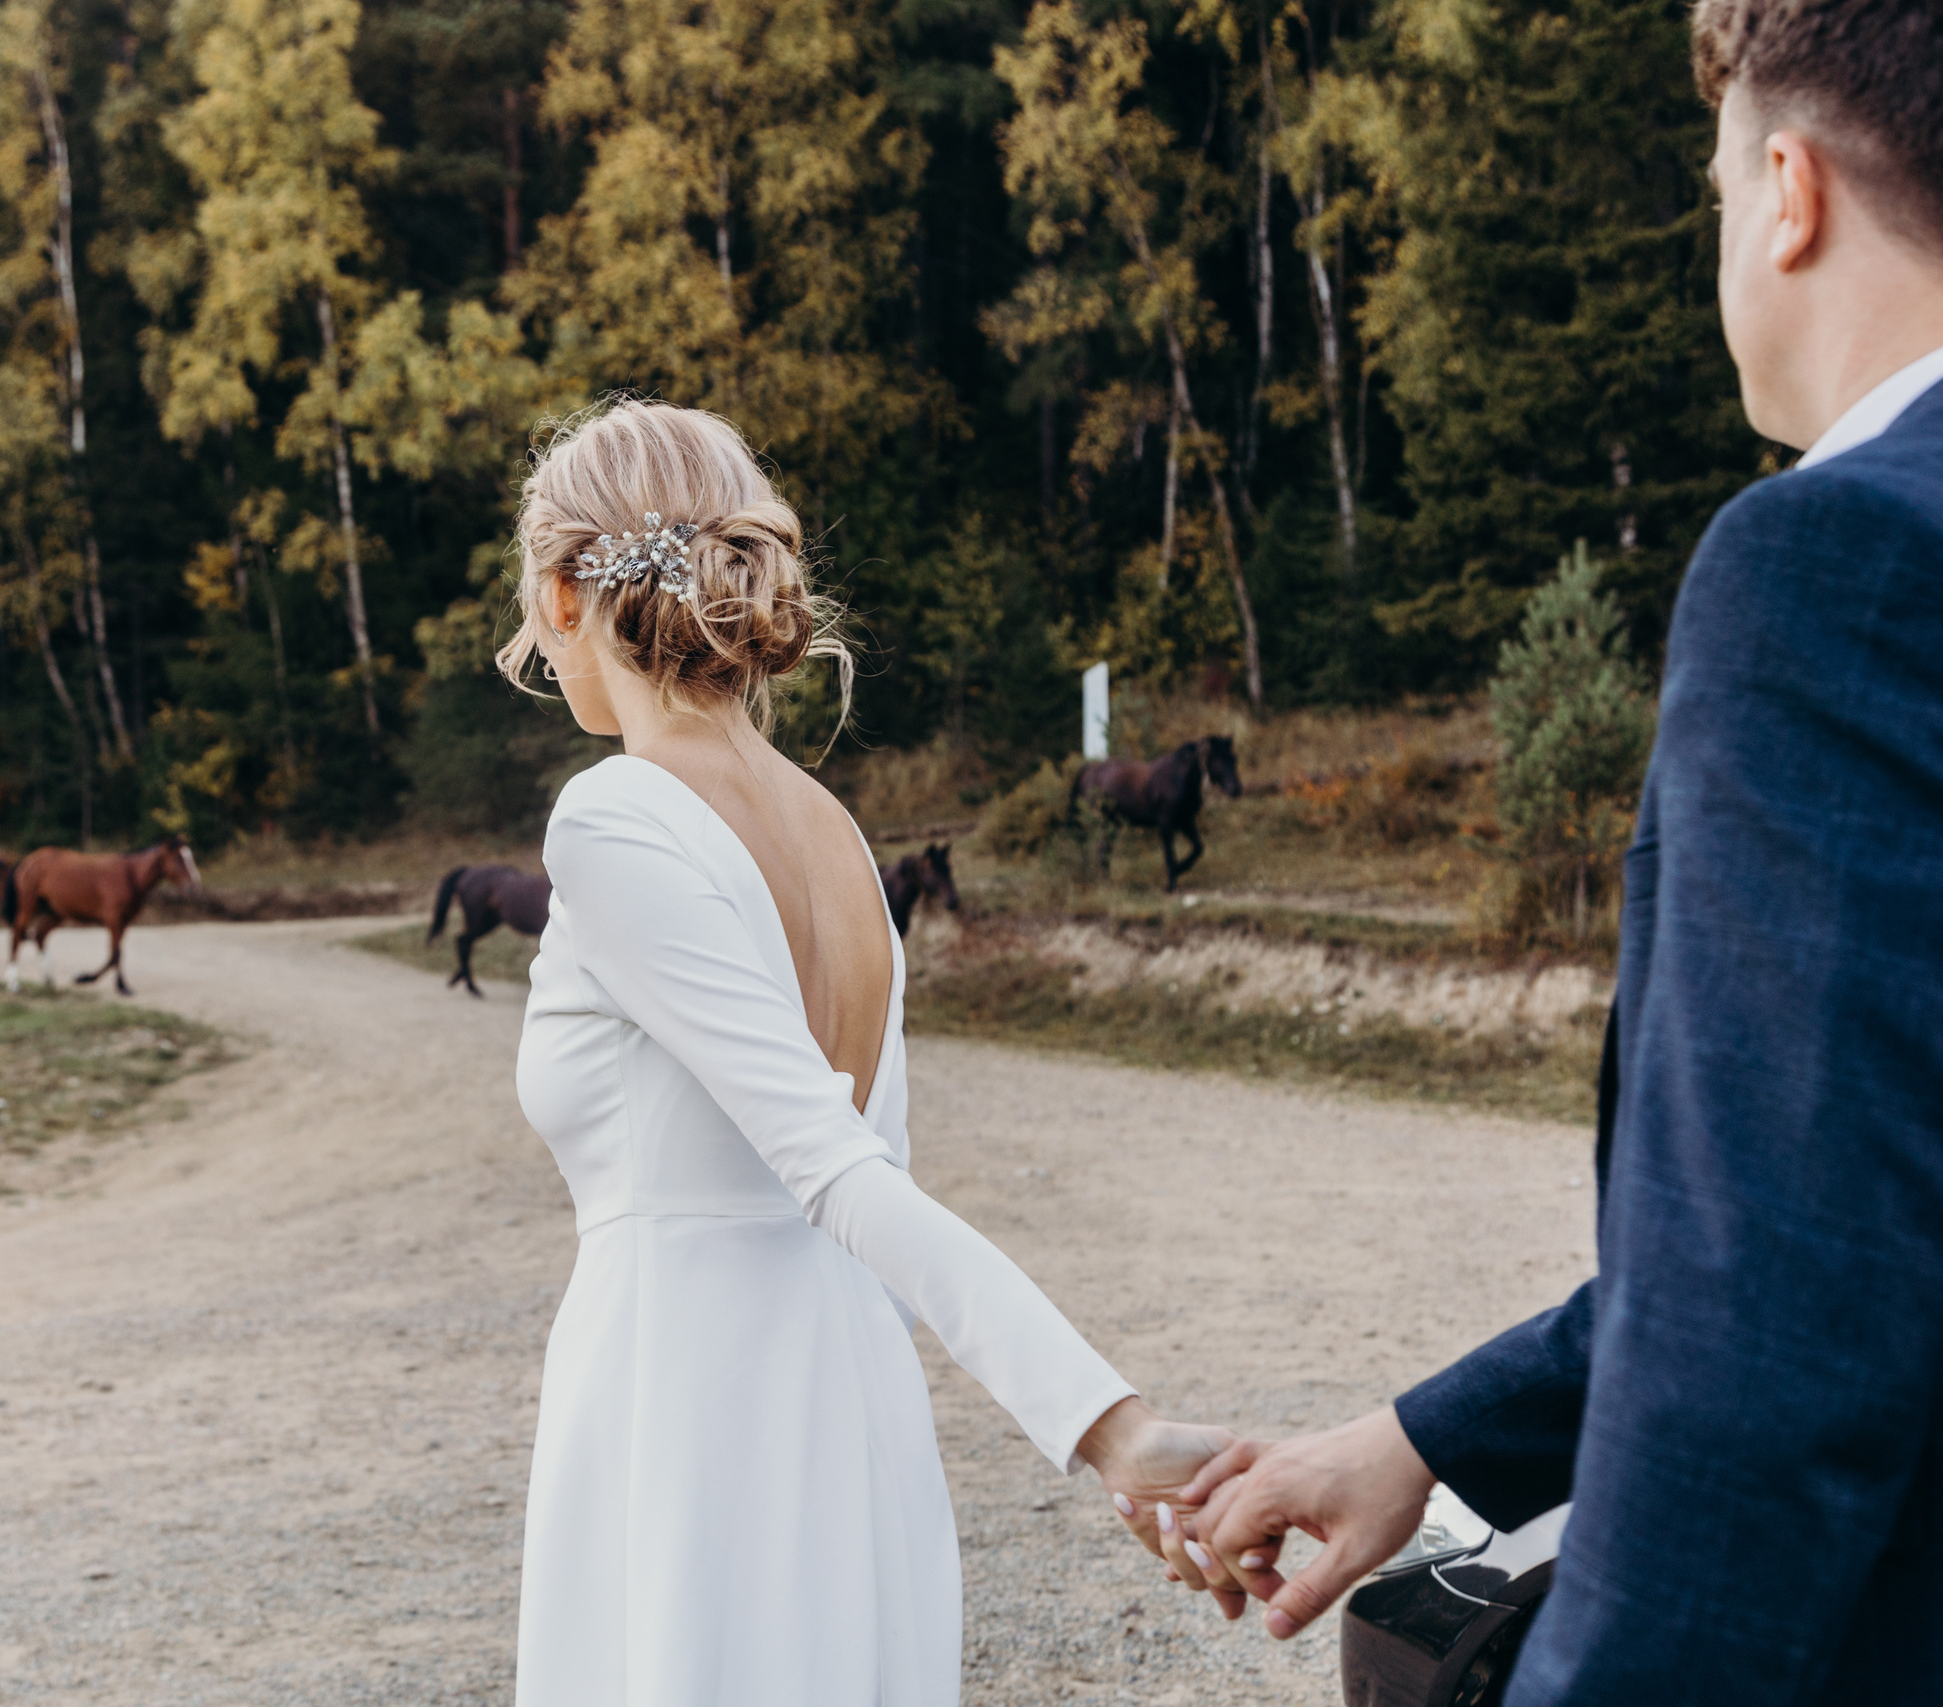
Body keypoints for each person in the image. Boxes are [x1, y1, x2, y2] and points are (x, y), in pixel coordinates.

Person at [1157, 0, 1943, 1699]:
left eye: (1713, 186)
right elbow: (1873, 1188)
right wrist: (1423, 1437)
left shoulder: (1838, 568)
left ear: (1788, 193)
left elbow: (1776, 1318)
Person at [494, 400, 1233, 1705]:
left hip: (684, 1401)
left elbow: (836, 1170)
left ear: (562, 596)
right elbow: (874, 1183)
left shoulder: (613, 817)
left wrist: (1111, 1426)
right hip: (853, 1400)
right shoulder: (834, 829)